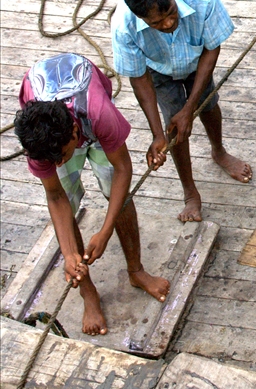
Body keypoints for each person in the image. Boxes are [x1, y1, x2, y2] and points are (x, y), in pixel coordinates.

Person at [14, 53, 170, 336]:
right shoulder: (40, 144)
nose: (58, 164)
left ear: (75, 133)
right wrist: (69, 253)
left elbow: (123, 168)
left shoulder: (99, 114)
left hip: (92, 122)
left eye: (61, 157)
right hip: (54, 132)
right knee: (67, 205)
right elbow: (56, 197)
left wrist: (105, 230)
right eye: (53, 161)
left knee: (117, 192)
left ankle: (136, 270)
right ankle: (88, 293)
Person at [111, 0, 252, 223]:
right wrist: (157, 135)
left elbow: (212, 48)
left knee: (207, 103)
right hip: (158, 67)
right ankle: (190, 192)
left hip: (198, 56)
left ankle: (218, 151)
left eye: (170, 13)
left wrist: (190, 108)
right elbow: (139, 78)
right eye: (156, 23)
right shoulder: (123, 26)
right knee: (173, 125)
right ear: (141, 19)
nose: (168, 23)